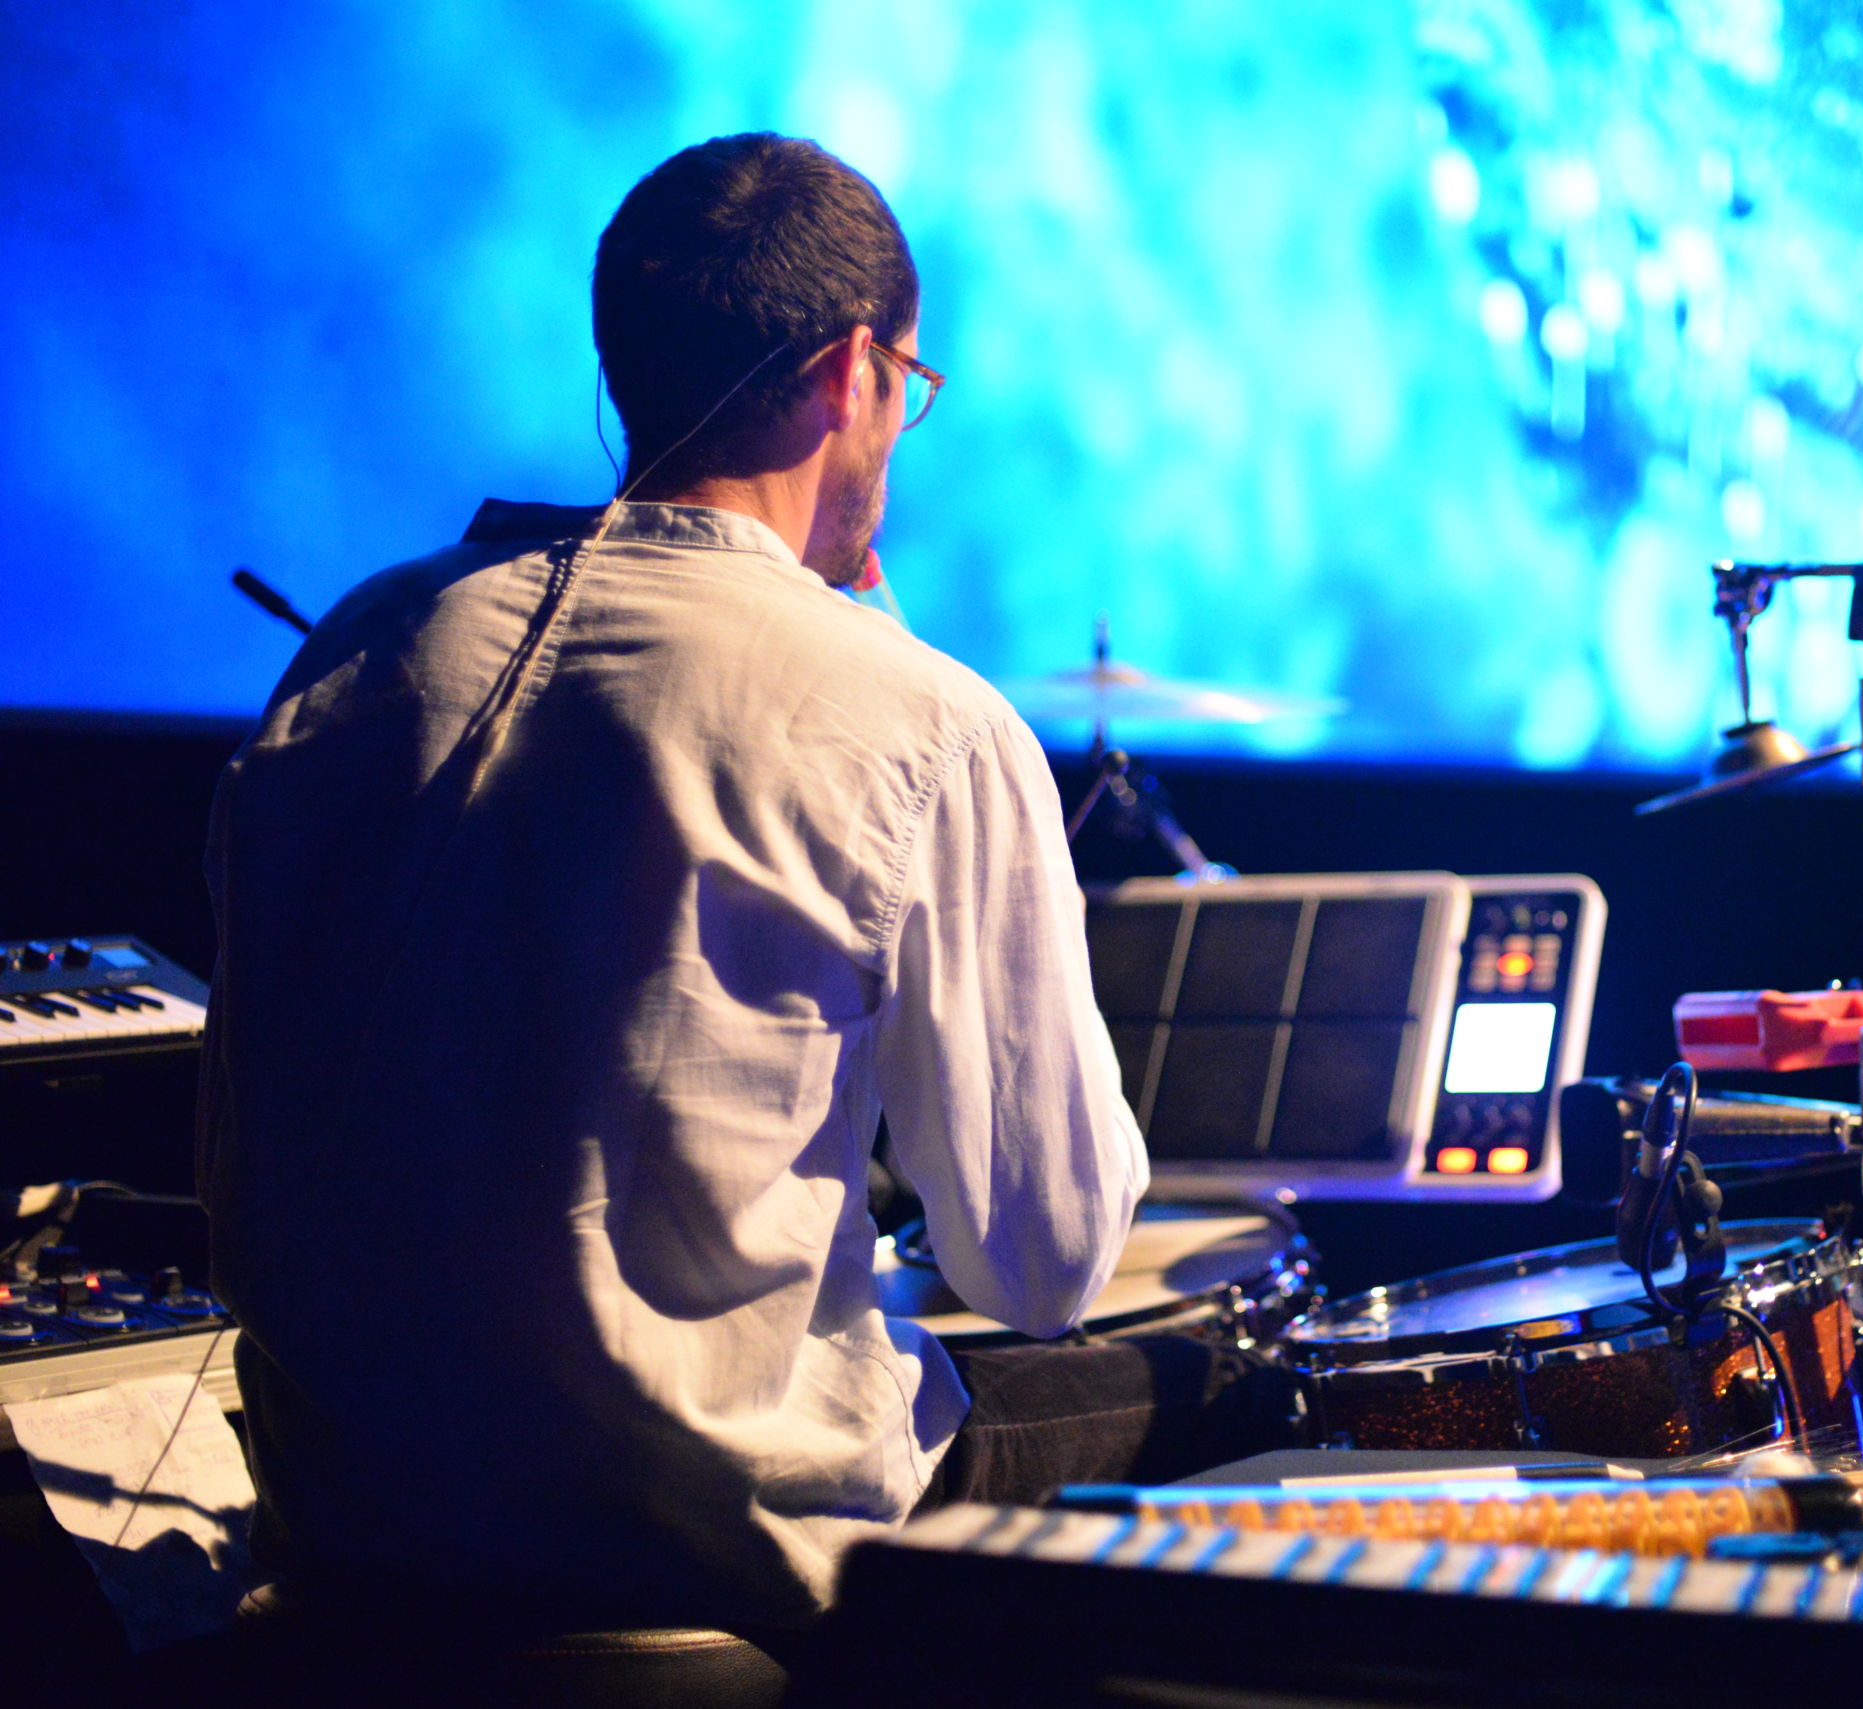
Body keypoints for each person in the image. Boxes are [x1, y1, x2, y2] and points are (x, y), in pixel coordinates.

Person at [198, 133, 1290, 1635]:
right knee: (1237, 1374)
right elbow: (1043, 1258)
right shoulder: (915, 719)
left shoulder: (350, 657)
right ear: (854, 372)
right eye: (908, 387)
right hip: (717, 1563)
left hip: (353, 1563)